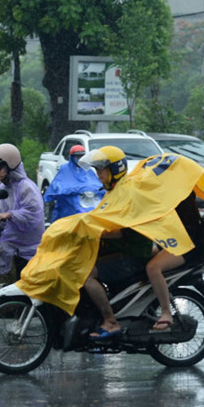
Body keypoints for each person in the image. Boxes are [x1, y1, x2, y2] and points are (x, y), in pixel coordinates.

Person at [78, 146, 154, 341]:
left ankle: (111, 321)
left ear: (116, 169)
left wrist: (94, 232)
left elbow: (121, 232)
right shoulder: (114, 190)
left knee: (88, 276)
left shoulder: (126, 192)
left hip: (133, 253)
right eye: (96, 169)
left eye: (102, 169)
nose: (98, 173)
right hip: (121, 250)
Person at [0, 143, 45, 290]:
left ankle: (8, 291)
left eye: (0, 168)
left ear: (10, 165)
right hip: (11, 235)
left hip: (26, 239)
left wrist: (10, 215)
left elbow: (33, 213)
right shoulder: (4, 187)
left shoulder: (26, 187)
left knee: (2, 249)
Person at [145, 192, 204, 330]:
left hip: (186, 244)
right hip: (172, 240)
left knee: (153, 268)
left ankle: (166, 312)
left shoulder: (178, 189)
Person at [43, 145, 105, 222]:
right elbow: (58, 186)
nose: (80, 158)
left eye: (82, 156)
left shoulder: (88, 170)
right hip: (71, 201)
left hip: (88, 199)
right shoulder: (64, 169)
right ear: (72, 157)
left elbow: (97, 184)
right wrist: (75, 189)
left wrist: (95, 189)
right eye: (77, 156)